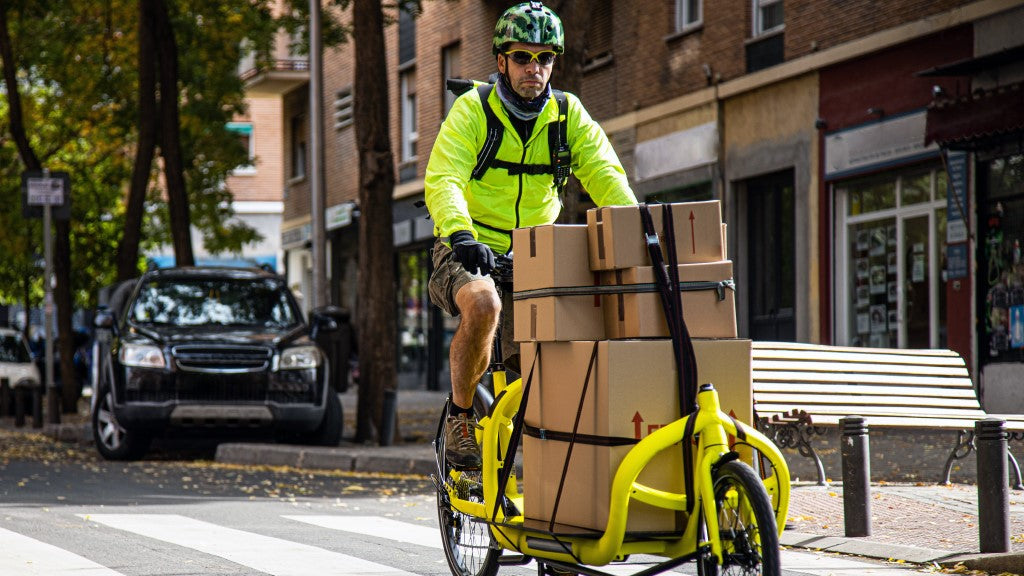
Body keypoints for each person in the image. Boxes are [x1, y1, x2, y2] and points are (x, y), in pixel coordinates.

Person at [425, 1, 638, 470]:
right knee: (484, 305)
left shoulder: (567, 114)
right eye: (523, 57)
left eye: (545, 58)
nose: (534, 68)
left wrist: (636, 225)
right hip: (467, 245)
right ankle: (461, 417)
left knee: (544, 369)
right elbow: (444, 179)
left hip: (535, 253)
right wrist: (460, 233)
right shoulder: (473, 111)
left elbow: (605, 174)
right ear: (501, 61)